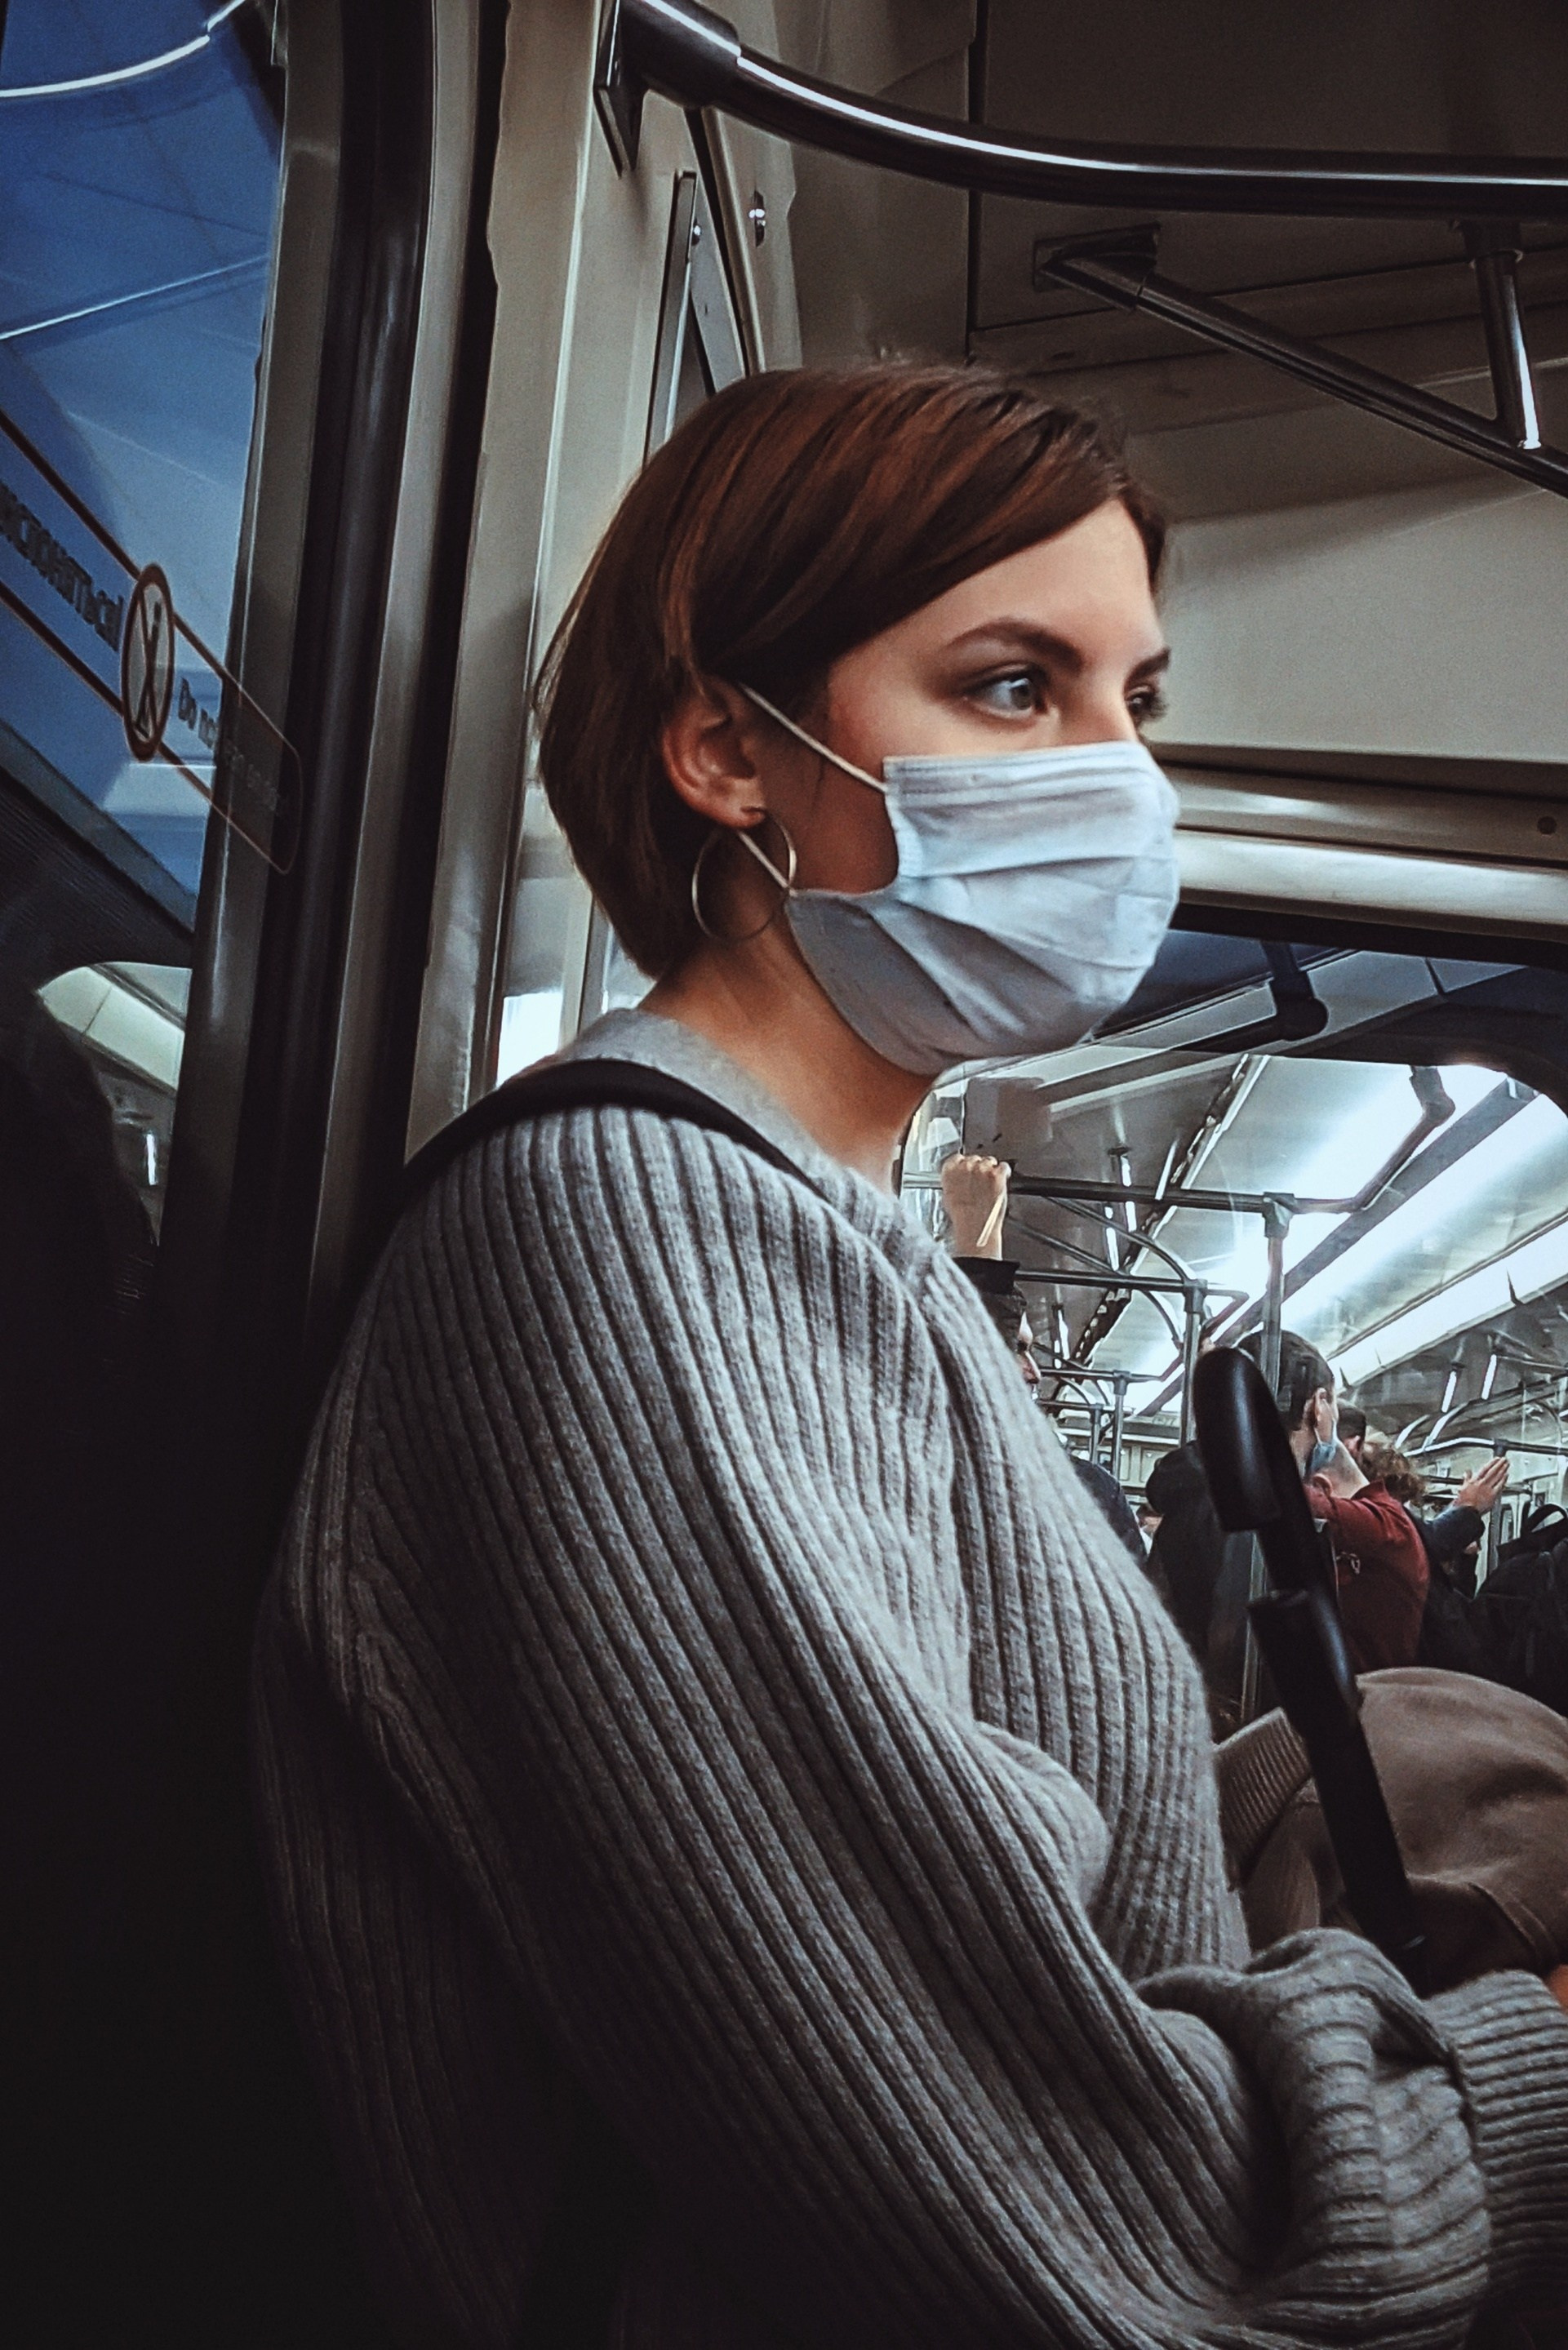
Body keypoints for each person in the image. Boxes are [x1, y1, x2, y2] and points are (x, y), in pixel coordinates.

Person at [253, 364, 1568, 2350]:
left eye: (1138, 699)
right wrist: (1529, 2063)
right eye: (1012, 687)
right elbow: (1078, 2225)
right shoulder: (641, 1240)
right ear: (728, 749)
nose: (1115, 776)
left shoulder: (843, 1227)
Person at [939, 1149, 1147, 1564]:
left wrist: (980, 1238)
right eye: (1017, 1348)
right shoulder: (1082, 1491)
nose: (1035, 1374)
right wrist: (980, 1244)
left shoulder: (1083, 1490)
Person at [1306, 1439, 1432, 1673]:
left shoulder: (1385, 1524)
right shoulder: (1388, 1522)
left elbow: (1296, 1501)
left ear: (1322, 1487)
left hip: (1372, 1690)